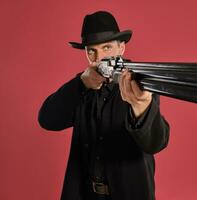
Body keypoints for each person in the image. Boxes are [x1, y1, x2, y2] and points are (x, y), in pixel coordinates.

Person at [38, 11, 170, 200]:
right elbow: (47, 120)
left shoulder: (140, 82)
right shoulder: (82, 85)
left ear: (121, 48)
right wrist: (80, 84)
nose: (99, 58)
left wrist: (141, 105)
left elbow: (155, 143)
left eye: (106, 47)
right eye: (92, 50)